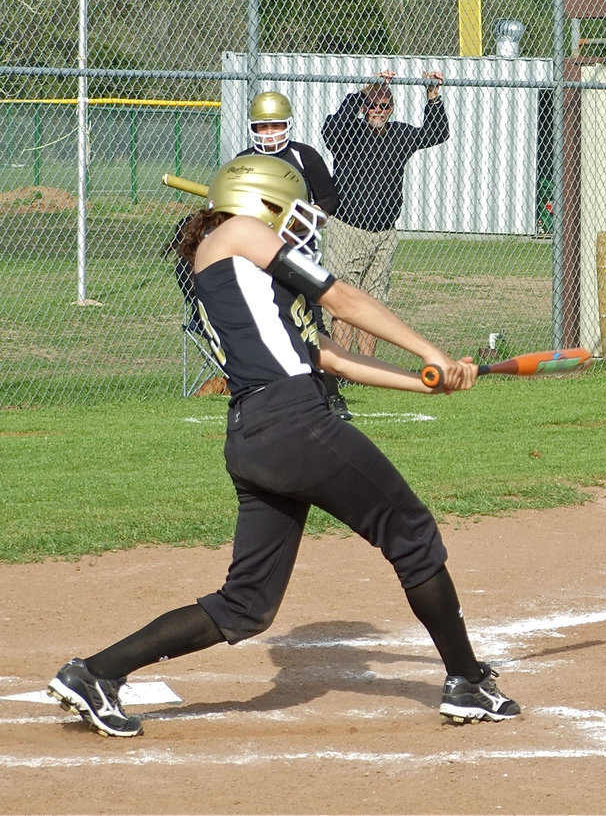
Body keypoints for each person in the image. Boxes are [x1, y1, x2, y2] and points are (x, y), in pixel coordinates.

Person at [47, 155, 519, 737]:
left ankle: (95, 673)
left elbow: (324, 355)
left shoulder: (241, 270)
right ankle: (467, 681)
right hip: (295, 421)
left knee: (246, 606)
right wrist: (431, 349)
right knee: (411, 532)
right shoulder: (239, 233)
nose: (303, 224)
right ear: (263, 202)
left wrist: (428, 377)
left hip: (255, 434)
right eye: (292, 210)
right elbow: (343, 299)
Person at [237, 90, 352, 420]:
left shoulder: (304, 156)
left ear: (287, 124)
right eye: (262, 127)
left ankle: (331, 395)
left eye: (275, 125)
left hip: (300, 253)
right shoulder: (243, 162)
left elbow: (330, 198)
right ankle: (266, 396)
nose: (269, 133)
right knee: (261, 323)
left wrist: (311, 214)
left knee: (312, 324)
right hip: (257, 254)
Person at [321, 70, 449, 359]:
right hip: (348, 229)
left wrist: (432, 96)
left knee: (373, 301)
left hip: (384, 233)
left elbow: (437, 133)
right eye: (372, 106)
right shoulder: (347, 134)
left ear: (391, 109)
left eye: (384, 106)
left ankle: (366, 366)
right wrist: (363, 92)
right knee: (343, 298)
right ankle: (343, 365)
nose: (377, 111)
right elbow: (332, 130)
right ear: (363, 108)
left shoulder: (399, 135)